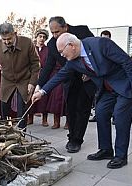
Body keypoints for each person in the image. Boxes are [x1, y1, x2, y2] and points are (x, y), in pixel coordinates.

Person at [32, 33, 132, 169]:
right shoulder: (74, 61)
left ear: (72, 46)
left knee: (120, 117)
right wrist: (42, 92)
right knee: (101, 112)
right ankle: (106, 150)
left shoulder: (100, 44)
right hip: (108, 87)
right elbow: (60, 76)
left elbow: (126, 61)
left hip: (127, 83)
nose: (61, 55)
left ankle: (120, 156)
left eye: (62, 51)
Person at [35, 16, 96, 153]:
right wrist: (39, 86)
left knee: (82, 109)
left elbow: (93, 51)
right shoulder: (52, 44)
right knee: (71, 109)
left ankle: (77, 140)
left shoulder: (82, 31)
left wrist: (90, 71)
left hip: (87, 79)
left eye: (57, 32)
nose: (55, 36)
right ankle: (71, 137)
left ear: (66, 27)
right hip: (70, 77)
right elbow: (48, 66)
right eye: (53, 33)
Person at [0, 23, 40, 129]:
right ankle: (7, 133)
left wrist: (32, 82)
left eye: (9, 39)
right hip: (7, 80)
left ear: (15, 34)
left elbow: (36, 64)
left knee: (22, 109)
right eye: (4, 39)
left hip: (24, 79)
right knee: (4, 108)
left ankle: (21, 134)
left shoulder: (27, 42)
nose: (7, 42)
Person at [28, 29, 51, 127]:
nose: (42, 39)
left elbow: (49, 63)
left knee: (44, 97)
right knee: (30, 95)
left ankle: (44, 119)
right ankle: (30, 118)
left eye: (44, 37)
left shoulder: (48, 49)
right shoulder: (31, 48)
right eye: (40, 37)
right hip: (32, 74)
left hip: (44, 75)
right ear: (36, 37)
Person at [89, 30, 112, 123]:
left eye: (106, 39)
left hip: (111, 78)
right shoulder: (96, 49)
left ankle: (114, 116)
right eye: (102, 38)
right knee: (98, 97)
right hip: (99, 78)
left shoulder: (112, 48)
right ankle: (97, 115)